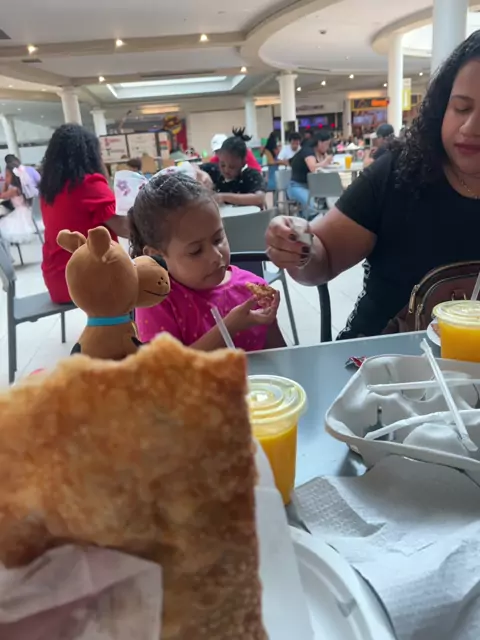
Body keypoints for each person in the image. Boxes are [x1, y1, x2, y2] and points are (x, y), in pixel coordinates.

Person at [265, 30, 480, 340]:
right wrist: (299, 245)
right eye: (461, 108)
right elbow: (323, 258)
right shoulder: (400, 172)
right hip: (378, 357)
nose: (471, 127)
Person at [129, 172, 284, 351]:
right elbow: (167, 366)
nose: (216, 256)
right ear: (157, 255)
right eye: (196, 251)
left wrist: (269, 319)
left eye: (218, 239)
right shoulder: (157, 301)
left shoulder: (252, 288)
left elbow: (281, 355)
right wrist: (229, 327)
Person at [40, 123, 129, 304]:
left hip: (57, 278)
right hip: (85, 280)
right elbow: (125, 229)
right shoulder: (89, 184)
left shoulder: (49, 189)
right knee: (152, 279)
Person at [200, 133, 266, 208]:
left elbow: (259, 198)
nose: (226, 170)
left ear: (243, 163)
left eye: (232, 167)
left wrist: (223, 197)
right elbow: (192, 167)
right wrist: (203, 174)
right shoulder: (215, 170)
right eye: (222, 165)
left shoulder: (250, 175)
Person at [287, 131, 333, 217]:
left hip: (311, 187)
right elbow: (313, 168)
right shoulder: (308, 151)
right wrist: (325, 161)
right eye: (326, 144)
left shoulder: (320, 153)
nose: (327, 147)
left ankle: (306, 219)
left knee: (327, 201)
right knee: (312, 206)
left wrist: (326, 160)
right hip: (297, 186)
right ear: (319, 143)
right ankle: (308, 221)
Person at [0, 163, 36, 244]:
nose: (6, 178)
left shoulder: (14, 190)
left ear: (14, 176)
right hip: (28, 212)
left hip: (20, 214)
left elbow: (2, 196)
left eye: (7, 176)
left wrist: (5, 184)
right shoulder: (23, 187)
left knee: (3, 224)